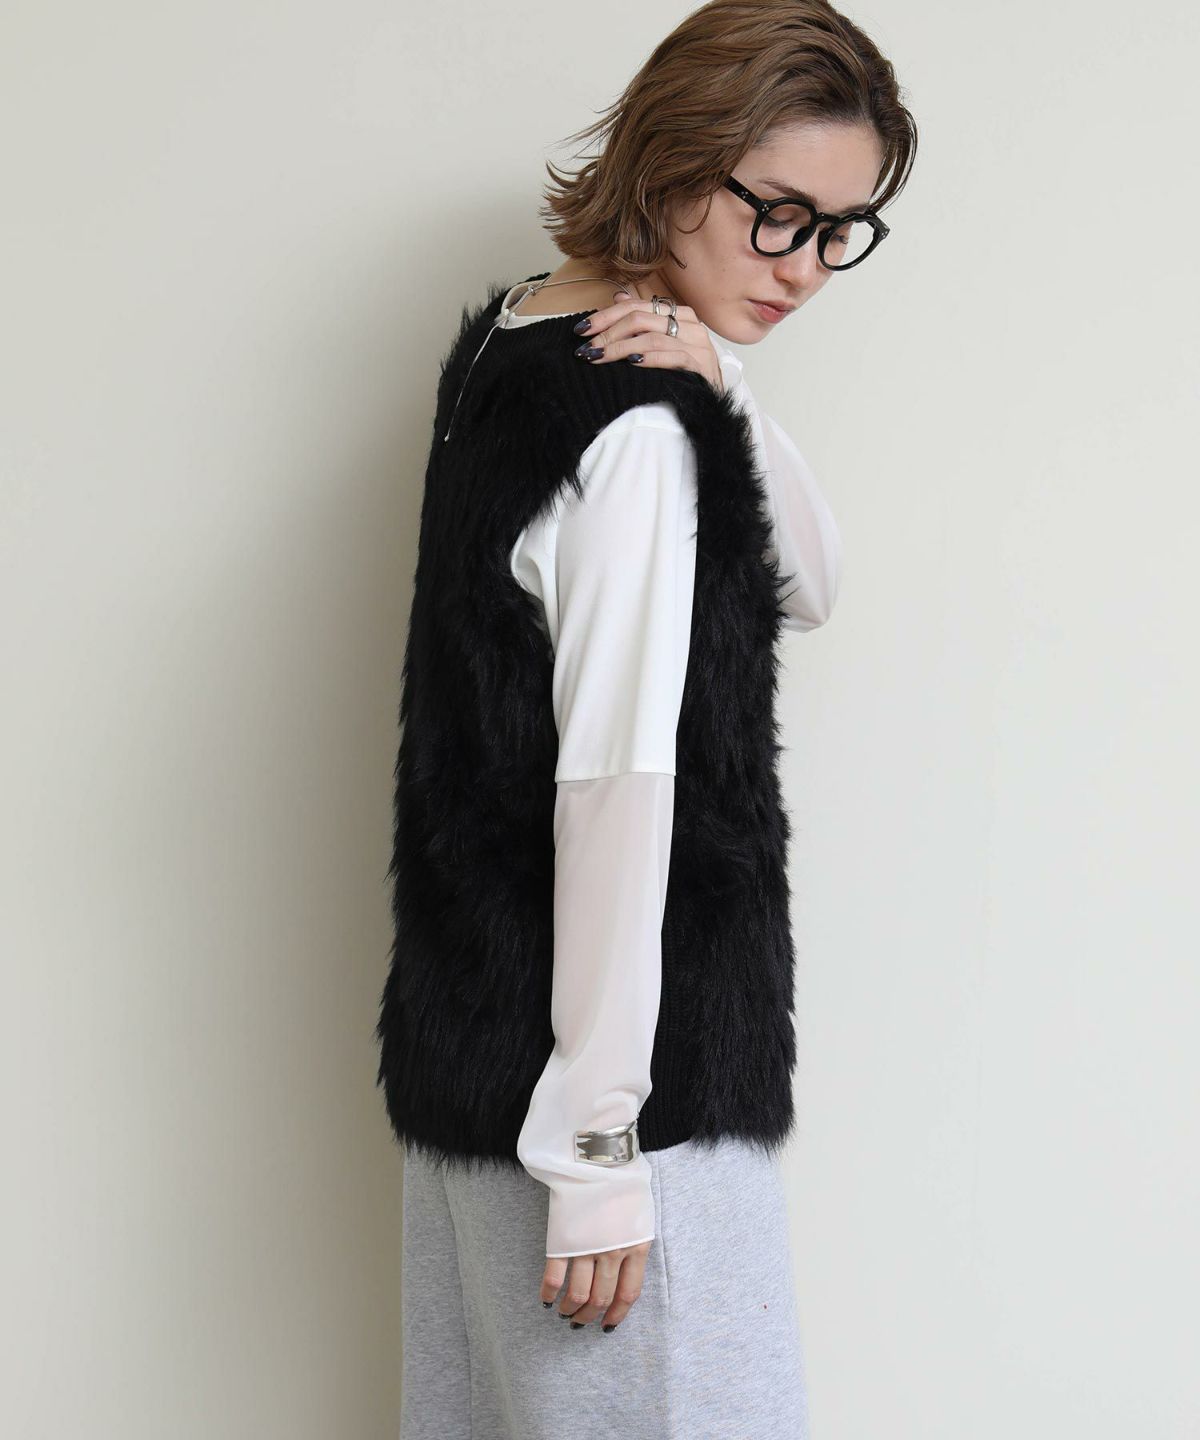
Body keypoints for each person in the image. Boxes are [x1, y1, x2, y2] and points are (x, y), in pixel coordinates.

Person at [375, 2, 918, 1434]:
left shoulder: (518, 344)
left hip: (474, 1061)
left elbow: (810, 582)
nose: (804, 267)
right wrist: (600, 1146)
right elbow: (618, 789)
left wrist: (723, 382)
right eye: (777, 213)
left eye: (843, 230)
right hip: (622, 1112)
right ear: (675, 161)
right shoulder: (636, 440)